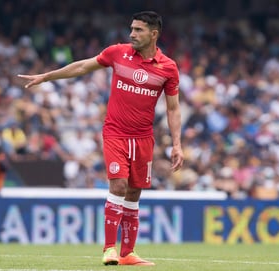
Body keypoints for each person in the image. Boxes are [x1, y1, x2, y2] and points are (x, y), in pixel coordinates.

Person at [18, 11, 184, 266]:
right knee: (118, 185)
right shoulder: (118, 53)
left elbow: (173, 108)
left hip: (143, 138)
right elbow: (83, 65)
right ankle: (109, 249)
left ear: (154, 34)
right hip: (115, 133)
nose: (132, 34)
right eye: (131, 28)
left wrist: (176, 144)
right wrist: (48, 76)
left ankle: (128, 253)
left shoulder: (168, 68)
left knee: (134, 193)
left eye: (138, 30)